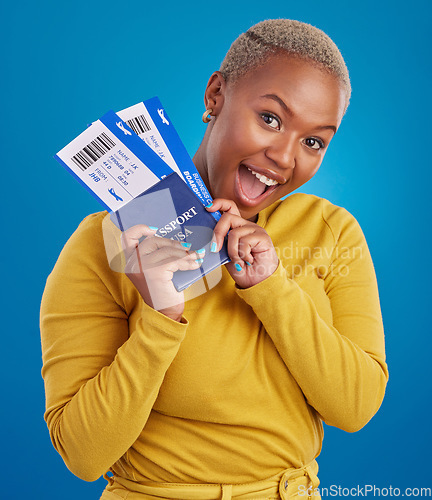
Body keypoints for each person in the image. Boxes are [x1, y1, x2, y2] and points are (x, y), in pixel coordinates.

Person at [40, 19, 388, 500]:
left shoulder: (330, 231)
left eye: (314, 141)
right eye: (270, 118)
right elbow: (82, 455)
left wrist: (271, 288)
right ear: (216, 95)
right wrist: (161, 318)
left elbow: (356, 406)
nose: (285, 157)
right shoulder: (106, 244)